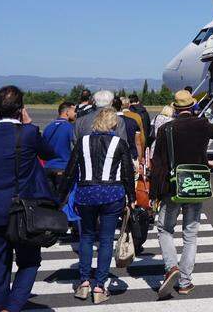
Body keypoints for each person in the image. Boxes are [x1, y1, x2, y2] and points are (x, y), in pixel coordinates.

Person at [0, 85, 56, 312]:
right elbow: (49, 153)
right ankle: (13, 305)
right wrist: (29, 123)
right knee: (29, 261)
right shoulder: (29, 133)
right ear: (20, 109)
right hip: (25, 210)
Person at [150, 90, 213, 299]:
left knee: (165, 229)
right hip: (197, 184)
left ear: (175, 109)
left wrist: (154, 192)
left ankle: (171, 267)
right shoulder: (203, 125)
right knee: (190, 234)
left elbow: (157, 163)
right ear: (193, 106)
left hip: (173, 187)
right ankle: (185, 281)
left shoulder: (166, 128)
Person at [62, 108, 135, 304]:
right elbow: (127, 172)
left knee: (86, 236)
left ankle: (84, 282)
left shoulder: (83, 142)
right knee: (106, 239)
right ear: (113, 124)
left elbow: (70, 171)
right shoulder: (119, 143)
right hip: (112, 194)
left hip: (86, 193)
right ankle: (99, 286)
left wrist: (61, 196)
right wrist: (132, 197)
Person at [43, 101, 76, 202]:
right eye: (74, 111)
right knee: (62, 201)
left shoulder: (48, 127)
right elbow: (76, 147)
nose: (76, 113)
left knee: (50, 201)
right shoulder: (70, 127)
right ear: (67, 112)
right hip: (63, 167)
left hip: (48, 167)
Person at [113, 97, 143, 165]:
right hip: (132, 156)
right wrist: (140, 159)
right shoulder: (133, 121)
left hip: (115, 157)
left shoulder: (108, 122)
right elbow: (138, 143)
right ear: (121, 106)